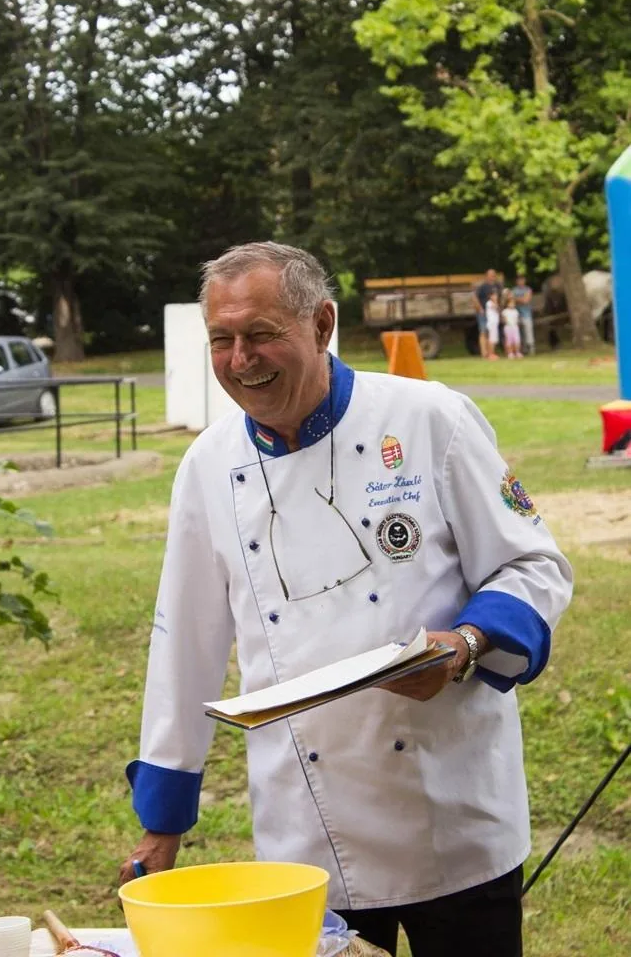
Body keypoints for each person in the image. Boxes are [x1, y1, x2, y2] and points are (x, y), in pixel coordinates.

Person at [120, 242, 572, 957]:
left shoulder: (431, 420)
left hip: (451, 810)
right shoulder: (207, 466)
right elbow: (186, 647)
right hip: (305, 827)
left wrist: (465, 646)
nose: (242, 360)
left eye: (263, 334)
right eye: (222, 340)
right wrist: (164, 818)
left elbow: (533, 565)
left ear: (322, 324)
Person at [473, 268, 500, 359]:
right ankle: (484, 353)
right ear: (487, 276)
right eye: (490, 275)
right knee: (483, 331)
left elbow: (501, 298)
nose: (492, 277)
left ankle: (491, 352)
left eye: (494, 275)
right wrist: (480, 309)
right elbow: (475, 297)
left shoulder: (497, 286)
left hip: (493, 313)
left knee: (491, 333)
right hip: (483, 312)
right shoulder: (482, 287)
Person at [513, 274, 535, 355]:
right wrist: (522, 299)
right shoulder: (514, 290)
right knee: (518, 332)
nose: (520, 281)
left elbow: (526, 300)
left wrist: (516, 299)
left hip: (526, 314)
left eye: (522, 280)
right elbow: (511, 300)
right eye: (519, 280)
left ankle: (531, 347)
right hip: (516, 315)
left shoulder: (528, 289)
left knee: (528, 329)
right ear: (516, 281)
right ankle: (522, 348)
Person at [501, 293, 523, 359]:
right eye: (510, 303)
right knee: (509, 340)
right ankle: (510, 353)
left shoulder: (516, 311)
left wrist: (517, 324)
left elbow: (517, 319)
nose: (512, 305)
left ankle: (517, 352)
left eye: (513, 303)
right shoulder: (505, 311)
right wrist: (507, 322)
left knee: (517, 340)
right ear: (507, 304)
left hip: (515, 327)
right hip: (508, 328)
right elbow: (504, 320)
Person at [485, 287, 501, 360]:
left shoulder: (494, 303)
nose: (495, 297)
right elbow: (496, 307)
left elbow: (498, 310)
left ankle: (492, 353)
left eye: (496, 295)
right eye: (493, 295)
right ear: (490, 296)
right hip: (491, 323)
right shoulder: (489, 303)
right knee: (491, 339)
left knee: (493, 339)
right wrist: (495, 301)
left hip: (494, 323)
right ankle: (490, 354)